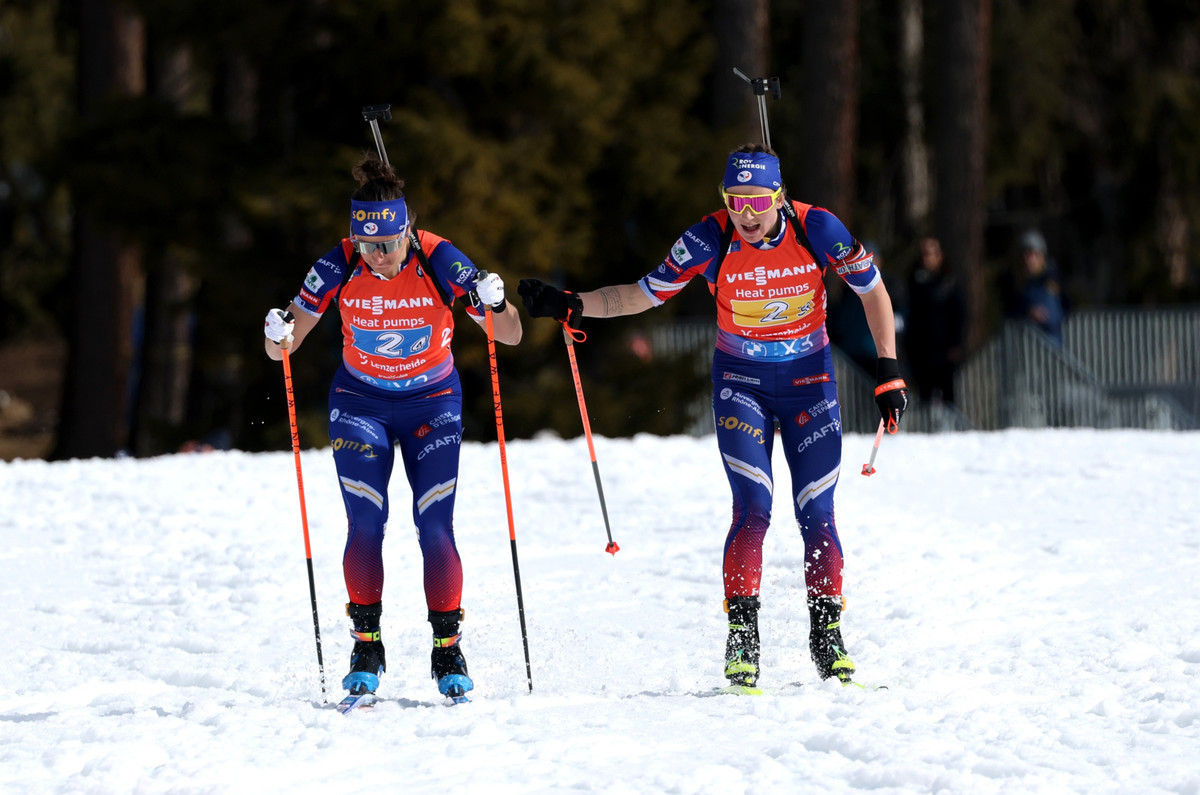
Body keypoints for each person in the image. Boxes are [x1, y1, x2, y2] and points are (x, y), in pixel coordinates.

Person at [517, 145, 906, 689]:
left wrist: (888, 370)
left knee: (817, 510)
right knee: (754, 507)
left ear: (779, 196)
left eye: (756, 201)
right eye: (735, 200)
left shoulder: (818, 228)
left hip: (810, 386)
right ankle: (742, 639)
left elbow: (873, 291)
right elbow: (641, 294)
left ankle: (827, 637)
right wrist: (572, 303)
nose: (746, 214)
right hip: (741, 384)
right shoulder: (707, 239)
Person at [262, 156, 522, 704]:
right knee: (365, 520)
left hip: (433, 402)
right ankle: (366, 645)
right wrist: (275, 332)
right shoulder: (337, 262)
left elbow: (511, 335)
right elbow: (284, 345)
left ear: (407, 230)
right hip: (360, 402)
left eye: (389, 244)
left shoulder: (439, 258)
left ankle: (447, 648)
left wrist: (496, 303)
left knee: (434, 525)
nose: (379, 257)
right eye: (368, 245)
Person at [904, 236, 966, 406]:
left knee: (948, 397)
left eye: (931, 253)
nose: (927, 257)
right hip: (921, 351)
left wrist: (956, 344)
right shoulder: (914, 282)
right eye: (924, 253)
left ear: (940, 256)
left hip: (945, 350)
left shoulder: (950, 283)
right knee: (924, 397)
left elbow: (959, 316)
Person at [1001, 229, 1067, 344]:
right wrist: (1027, 312)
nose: (1028, 259)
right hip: (1022, 343)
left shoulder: (1053, 276)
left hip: (1051, 342)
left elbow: (1065, 305)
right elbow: (1008, 309)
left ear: (1041, 255)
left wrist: (1049, 317)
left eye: (1032, 253)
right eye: (1024, 254)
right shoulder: (1012, 279)